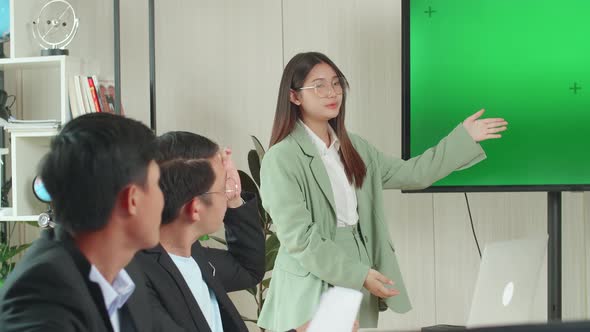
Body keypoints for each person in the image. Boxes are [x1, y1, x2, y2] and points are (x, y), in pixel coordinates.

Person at [257, 52, 508, 330]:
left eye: (337, 83)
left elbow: (414, 174)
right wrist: (360, 274)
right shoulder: (281, 158)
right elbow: (300, 239)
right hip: (312, 278)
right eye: (319, 85)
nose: (332, 93)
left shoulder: (355, 148)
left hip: (358, 267)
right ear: (294, 97)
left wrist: (463, 137)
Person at [0, 113, 169, 332]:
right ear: (132, 199)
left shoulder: (124, 271)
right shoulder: (43, 296)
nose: (163, 198)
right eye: (157, 184)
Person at [131, 131, 265, 332]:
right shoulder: (135, 281)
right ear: (195, 209)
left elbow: (248, 269)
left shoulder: (191, 252)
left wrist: (234, 196)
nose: (227, 194)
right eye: (223, 189)